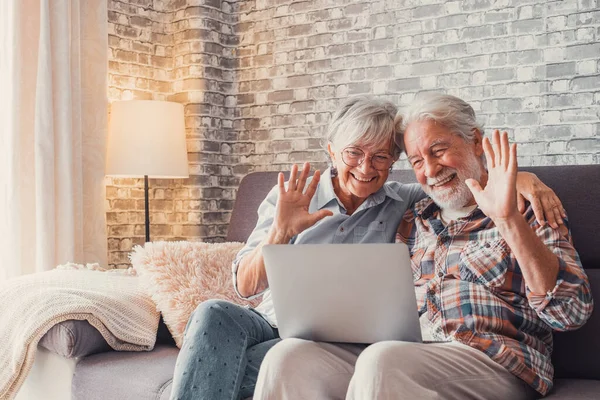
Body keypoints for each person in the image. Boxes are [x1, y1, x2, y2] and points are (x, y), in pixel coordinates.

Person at [169, 96, 565, 400]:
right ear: (331, 151)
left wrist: (524, 180)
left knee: (266, 364)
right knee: (213, 314)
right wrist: (281, 233)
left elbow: (458, 184)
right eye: (353, 153)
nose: (365, 167)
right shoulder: (292, 196)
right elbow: (244, 286)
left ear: (394, 162)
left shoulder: (407, 201)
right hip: (272, 321)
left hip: (337, 337)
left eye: (380, 157)